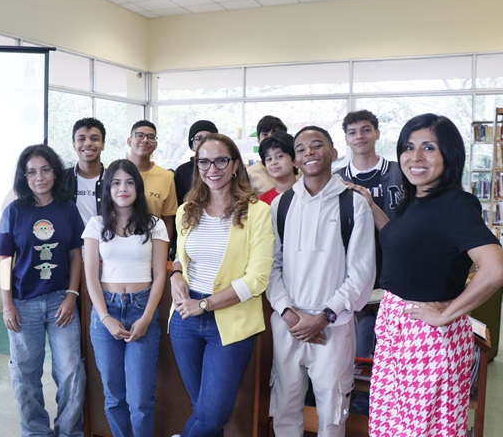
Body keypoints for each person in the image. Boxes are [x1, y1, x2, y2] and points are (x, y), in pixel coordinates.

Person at [368, 113, 503, 437]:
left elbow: (497, 269)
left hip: (427, 333)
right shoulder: (414, 201)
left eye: (428, 147)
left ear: (450, 154)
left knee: (423, 428)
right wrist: (372, 207)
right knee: (392, 424)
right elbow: (409, 241)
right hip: (396, 327)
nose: (415, 157)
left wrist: (447, 313)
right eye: (408, 147)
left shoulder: (455, 204)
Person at [267, 126, 375, 437]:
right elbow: (270, 267)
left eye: (317, 145)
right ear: (295, 160)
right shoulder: (282, 205)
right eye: (301, 149)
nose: (309, 152)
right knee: (284, 408)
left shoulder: (352, 204)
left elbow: (362, 272)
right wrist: (288, 313)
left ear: (334, 151)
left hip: (333, 326)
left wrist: (324, 316)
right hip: (288, 324)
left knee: (332, 412)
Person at [169, 133, 275, 436]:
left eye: (220, 160)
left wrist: (204, 305)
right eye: (204, 161)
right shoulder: (186, 210)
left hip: (230, 319)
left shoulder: (257, 212)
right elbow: (181, 256)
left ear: (235, 165)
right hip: (184, 320)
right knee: (202, 409)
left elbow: (257, 279)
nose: (212, 168)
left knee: (212, 413)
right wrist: (176, 273)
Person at [0, 144, 86, 437]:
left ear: (55, 172)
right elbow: (5, 260)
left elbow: (76, 255)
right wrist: (7, 305)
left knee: (71, 371)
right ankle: (36, 432)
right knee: (25, 375)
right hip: (23, 305)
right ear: (24, 175)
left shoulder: (68, 209)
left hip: (61, 301)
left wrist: (72, 296)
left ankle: (68, 431)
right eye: (32, 171)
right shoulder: (14, 212)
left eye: (46, 169)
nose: (40, 177)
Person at [82, 159, 169, 437]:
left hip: (142, 308)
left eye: (130, 182)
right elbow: (91, 278)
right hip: (105, 310)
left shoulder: (155, 225)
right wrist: (105, 318)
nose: (123, 188)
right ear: (108, 187)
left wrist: (145, 319)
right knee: (114, 396)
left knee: (140, 399)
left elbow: (160, 276)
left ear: (138, 187)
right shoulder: (95, 225)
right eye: (117, 182)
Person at [334, 109, 403, 414]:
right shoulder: (336, 178)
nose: (359, 137)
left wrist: (371, 206)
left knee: (389, 349)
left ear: (377, 133)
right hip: (349, 275)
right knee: (355, 346)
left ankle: (387, 412)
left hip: (394, 274)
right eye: (352, 132)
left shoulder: (399, 173)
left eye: (365, 130)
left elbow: (403, 231)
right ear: (345, 138)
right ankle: (358, 413)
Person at [126, 119, 178, 242]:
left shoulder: (166, 176)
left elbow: (168, 220)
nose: (145, 140)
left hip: (152, 245)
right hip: (115, 244)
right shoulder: (112, 172)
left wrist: (164, 252)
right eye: (139, 135)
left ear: (155, 144)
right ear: (129, 141)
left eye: (151, 137)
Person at [62, 117, 106, 225]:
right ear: (74, 145)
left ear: (103, 144)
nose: (88, 143)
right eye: (81, 139)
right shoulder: (61, 179)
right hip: (71, 241)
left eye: (94, 138)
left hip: (106, 241)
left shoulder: (114, 179)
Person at [174, 119, 218, 206]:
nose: (204, 142)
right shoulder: (182, 171)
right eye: (198, 138)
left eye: (209, 137)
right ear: (192, 145)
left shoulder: (227, 167)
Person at [247, 115, 288, 193]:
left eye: (275, 133)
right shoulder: (250, 173)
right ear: (258, 140)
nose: (270, 138)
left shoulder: (298, 170)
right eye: (265, 135)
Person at [258, 132, 297, 205]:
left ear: (294, 161)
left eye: (279, 156)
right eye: (269, 159)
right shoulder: (262, 202)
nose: (273, 162)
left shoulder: (307, 194)